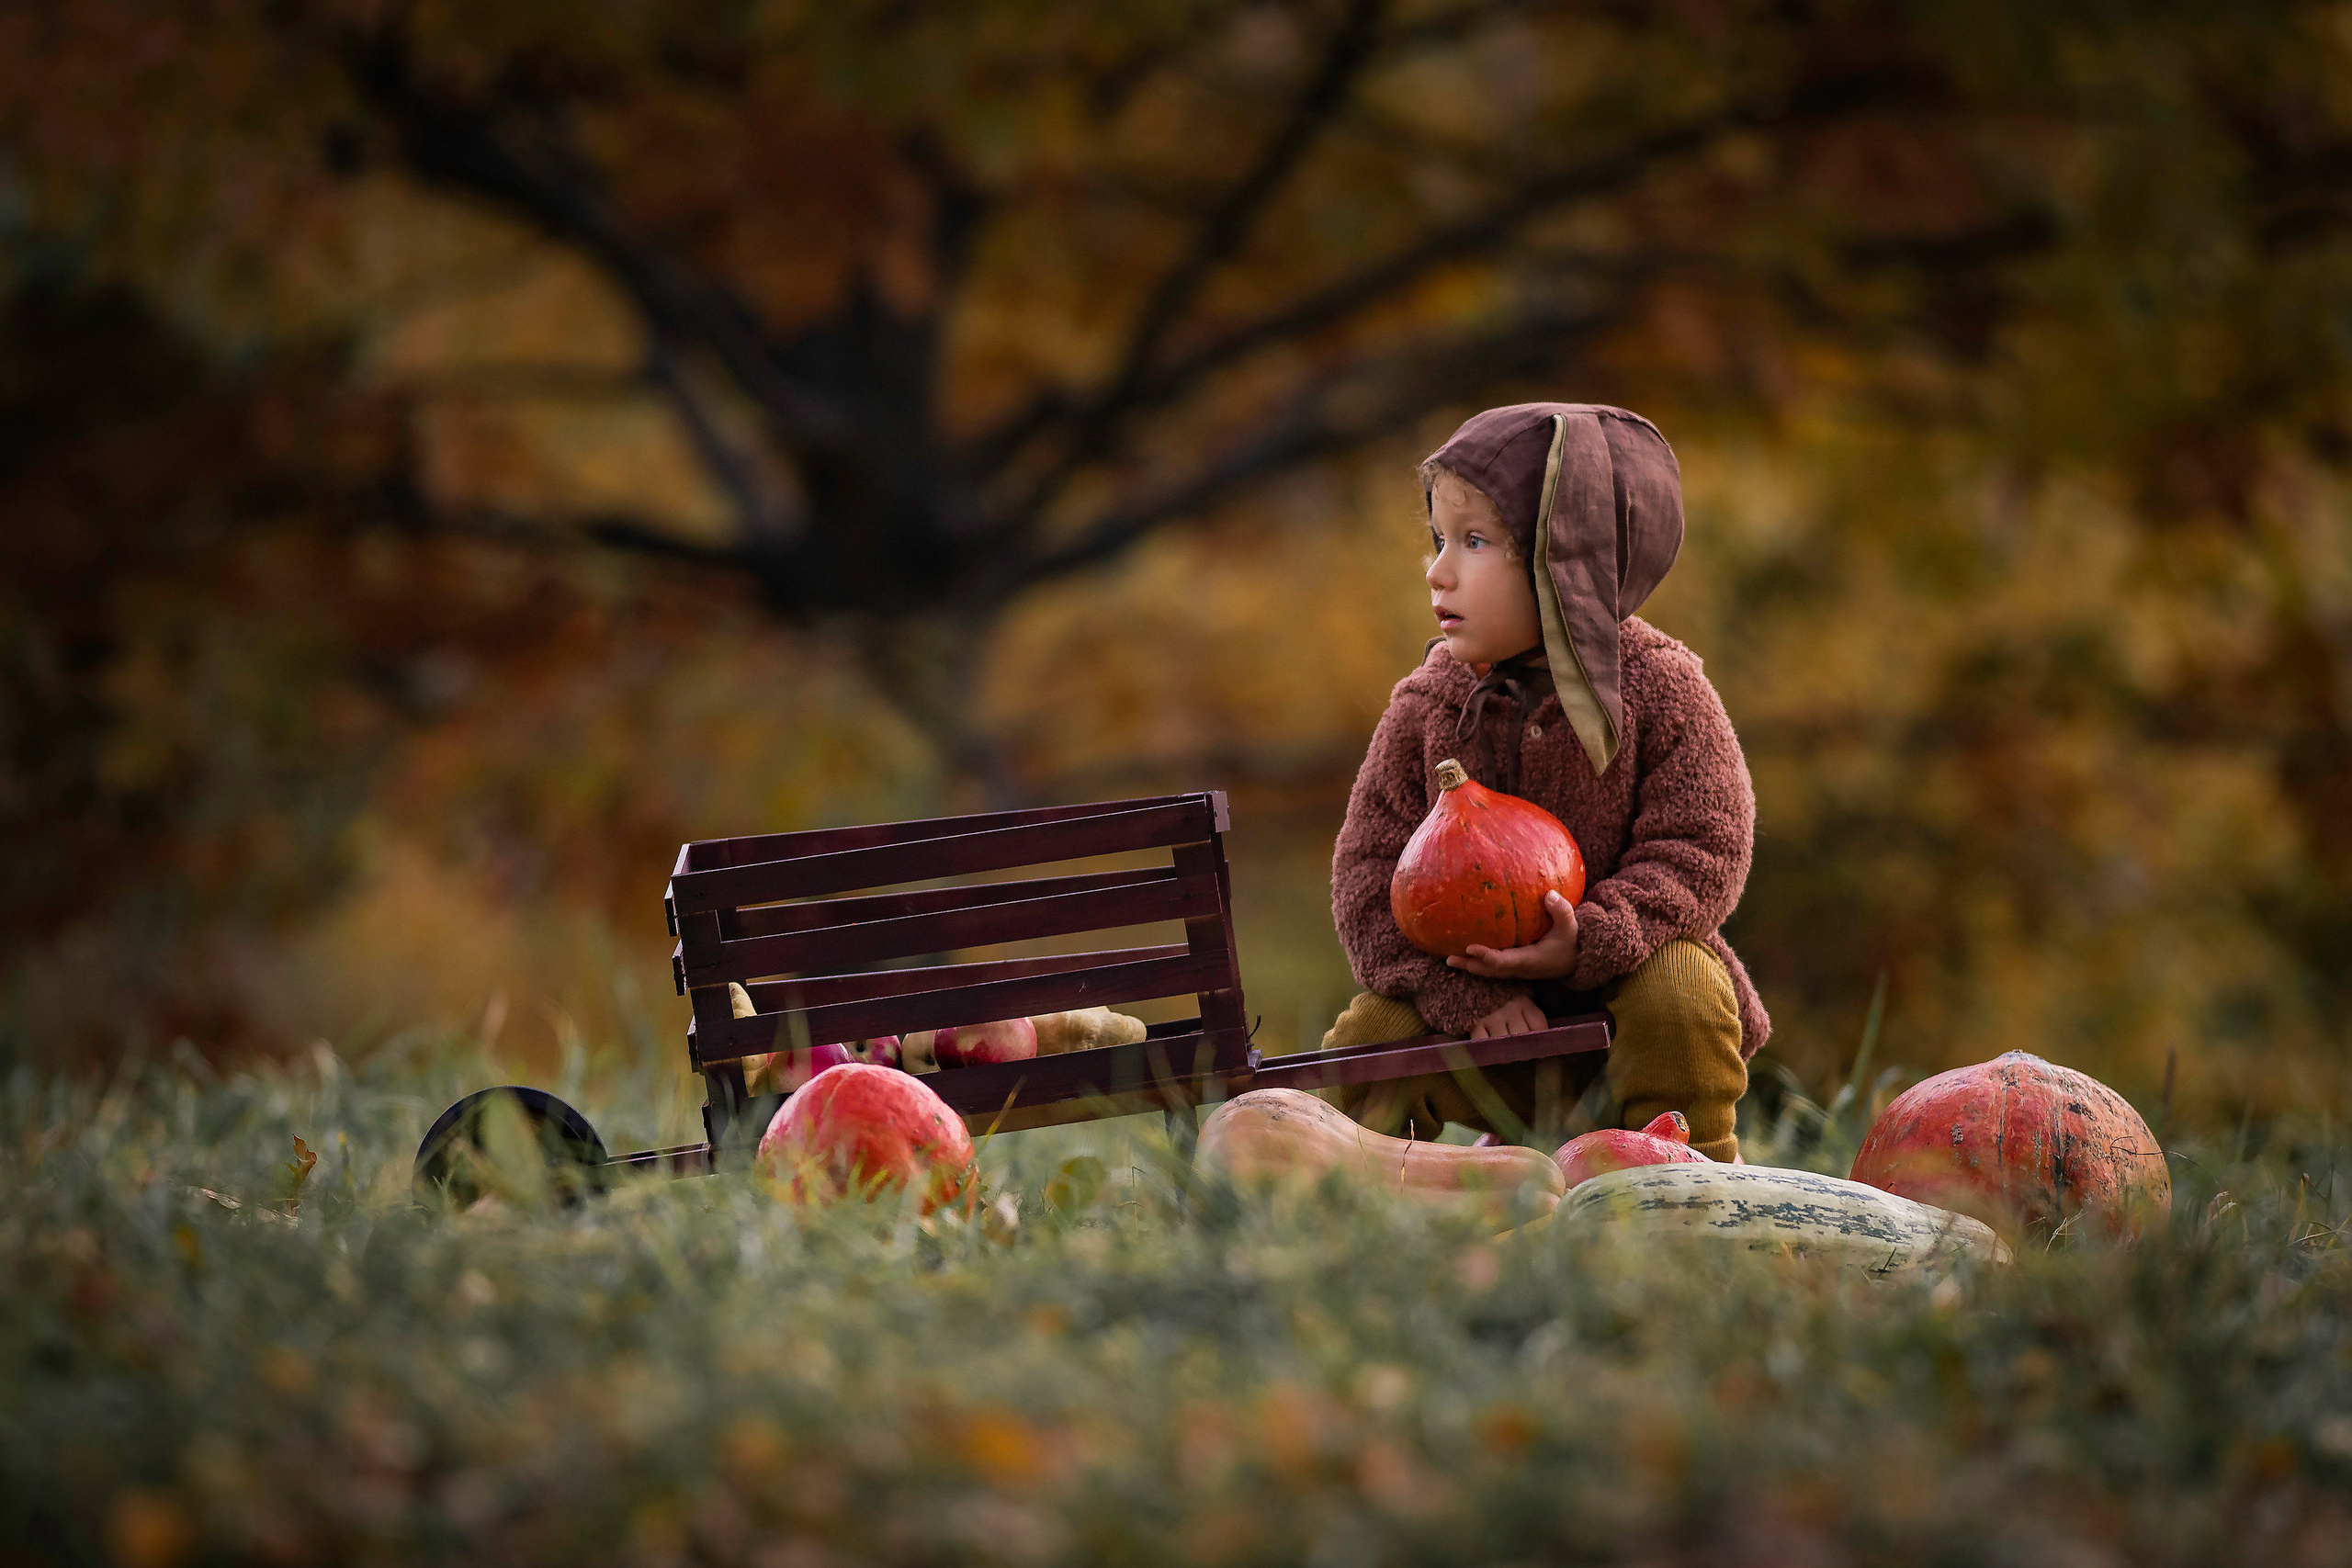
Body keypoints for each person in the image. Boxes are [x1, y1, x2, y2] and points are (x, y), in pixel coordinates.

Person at [1325, 403, 1767, 1162]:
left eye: (1472, 541)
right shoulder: (1428, 708)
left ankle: (1695, 1179)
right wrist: (1466, 996)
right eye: (1437, 540)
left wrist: (1591, 939)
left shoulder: (1661, 690)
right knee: (1374, 1034)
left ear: (1566, 563)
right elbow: (1366, 879)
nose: (1437, 570)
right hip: (1483, 1036)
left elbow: (1705, 844)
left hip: (1623, 1024)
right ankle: (1358, 1188)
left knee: (1684, 987)